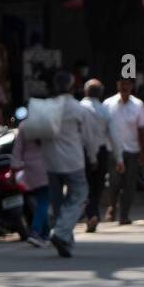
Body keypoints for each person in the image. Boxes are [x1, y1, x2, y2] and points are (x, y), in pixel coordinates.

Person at [40, 69, 101, 257]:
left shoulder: (45, 107)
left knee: (58, 202)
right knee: (80, 196)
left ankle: (65, 239)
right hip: (73, 161)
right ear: (72, 86)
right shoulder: (78, 108)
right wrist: (93, 157)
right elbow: (89, 138)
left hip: (50, 161)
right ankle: (60, 232)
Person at [104, 77, 144, 224]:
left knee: (129, 185)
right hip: (113, 150)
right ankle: (112, 207)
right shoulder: (108, 103)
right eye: (121, 83)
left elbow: (141, 129)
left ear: (132, 86)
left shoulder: (138, 104)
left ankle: (124, 215)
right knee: (114, 182)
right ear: (117, 85)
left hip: (132, 150)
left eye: (127, 84)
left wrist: (142, 151)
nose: (124, 87)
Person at [10, 112, 50, 247]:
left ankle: (45, 234)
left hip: (30, 168)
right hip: (47, 166)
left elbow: (17, 150)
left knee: (41, 200)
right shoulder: (49, 125)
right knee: (43, 201)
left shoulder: (24, 126)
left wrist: (13, 170)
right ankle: (35, 231)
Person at [80, 78, 111, 232]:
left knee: (85, 185)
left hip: (82, 151)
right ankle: (93, 214)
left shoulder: (79, 108)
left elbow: (85, 135)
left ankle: (91, 214)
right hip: (101, 150)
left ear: (85, 91)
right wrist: (118, 157)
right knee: (97, 187)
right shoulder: (104, 110)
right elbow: (114, 135)